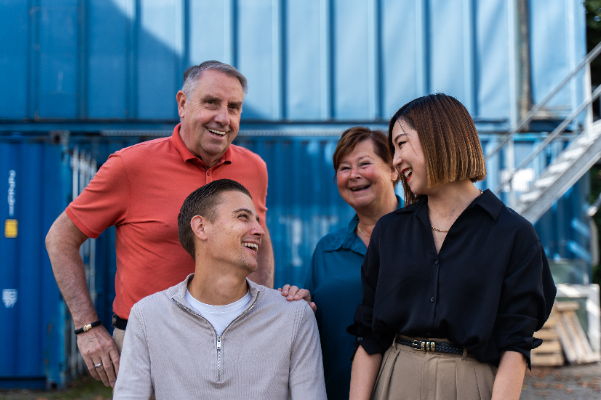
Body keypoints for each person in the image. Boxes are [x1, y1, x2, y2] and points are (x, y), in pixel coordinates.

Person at [45, 61, 275, 388]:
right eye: (211, 103)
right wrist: (86, 327)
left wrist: (263, 314)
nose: (223, 118)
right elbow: (60, 238)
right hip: (148, 343)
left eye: (234, 107)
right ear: (182, 103)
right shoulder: (130, 166)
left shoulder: (254, 168)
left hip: (232, 341)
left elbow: (259, 243)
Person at [348, 94, 556, 400]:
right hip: (396, 381)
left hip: (472, 384)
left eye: (401, 144)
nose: (395, 160)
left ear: (438, 137)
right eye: (393, 150)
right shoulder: (389, 231)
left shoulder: (515, 235)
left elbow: (516, 344)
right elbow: (369, 335)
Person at [113, 179, 327, 400]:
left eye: (257, 220)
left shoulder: (294, 315)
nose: (259, 230)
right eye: (243, 216)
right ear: (201, 227)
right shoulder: (148, 316)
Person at [281, 127, 400, 399]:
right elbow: (312, 327)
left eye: (364, 164)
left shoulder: (426, 237)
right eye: (344, 168)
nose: (354, 175)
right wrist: (298, 304)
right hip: (337, 391)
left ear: (394, 170)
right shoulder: (327, 249)